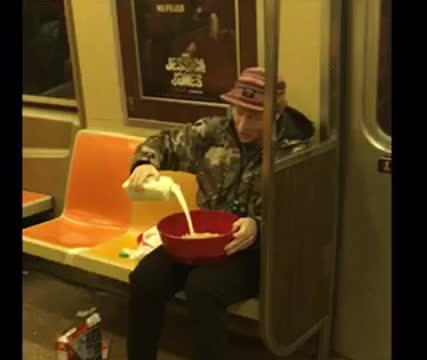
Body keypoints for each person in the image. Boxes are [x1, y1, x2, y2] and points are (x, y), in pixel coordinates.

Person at [125, 67, 315, 360]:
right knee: (146, 278)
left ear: (276, 113)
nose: (242, 124)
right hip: (203, 241)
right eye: (238, 112)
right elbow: (162, 143)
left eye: (254, 116)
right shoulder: (214, 132)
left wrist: (259, 227)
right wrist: (144, 164)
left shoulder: (294, 150)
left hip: (255, 252)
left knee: (202, 288)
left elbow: (299, 214)